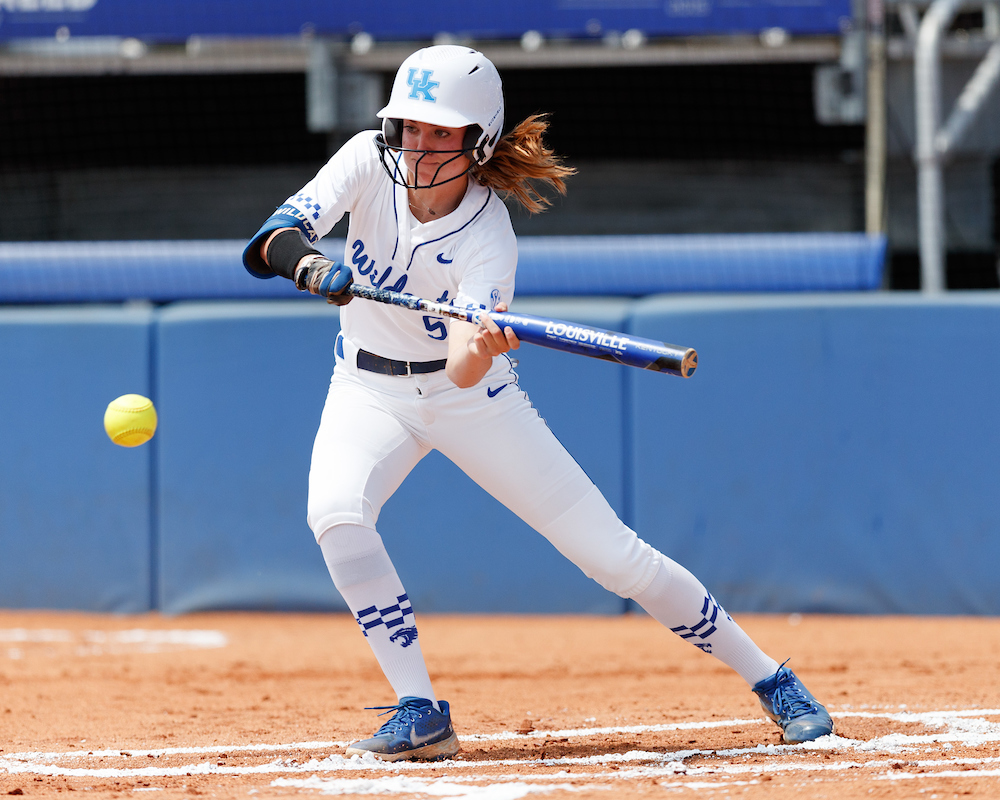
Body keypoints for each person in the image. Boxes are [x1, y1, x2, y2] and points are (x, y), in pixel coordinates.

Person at [242, 45, 833, 762]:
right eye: (411, 127)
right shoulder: (367, 158)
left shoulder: (488, 235)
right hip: (366, 387)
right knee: (335, 516)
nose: (420, 145)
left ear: (477, 140)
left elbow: (460, 371)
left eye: (440, 132)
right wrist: (310, 266)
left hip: (473, 401)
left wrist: (482, 345)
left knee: (615, 559)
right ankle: (420, 709)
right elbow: (269, 238)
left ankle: (772, 679)